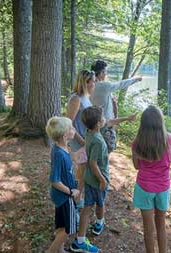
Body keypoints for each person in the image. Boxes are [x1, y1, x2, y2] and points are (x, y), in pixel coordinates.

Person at [131, 105, 171, 253]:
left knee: (148, 228)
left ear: (143, 124)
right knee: (161, 225)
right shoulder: (170, 140)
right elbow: (170, 162)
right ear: (160, 122)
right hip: (163, 187)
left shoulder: (137, 143)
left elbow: (137, 166)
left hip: (144, 187)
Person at [71, 106, 108, 253]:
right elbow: (92, 163)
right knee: (99, 204)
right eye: (103, 118)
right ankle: (99, 224)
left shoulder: (89, 133)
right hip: (97, 180)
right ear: (98, 123)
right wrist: (103, 180)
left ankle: (80, 239)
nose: (105, 120)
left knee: (86, 208)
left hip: (88, 178)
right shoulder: (98, 141)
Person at [66, 70, 96, 251]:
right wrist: (81, 140)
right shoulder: (76, 98)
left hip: (87, 142)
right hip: (80, 144)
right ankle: (75, 206)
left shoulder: (86, 97)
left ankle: (78, 202)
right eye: (92, 82)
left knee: (83, 175)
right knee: (80, 176)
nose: (95, 84)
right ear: (85, 82)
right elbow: (68, 122)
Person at [90, 60, 142, 153]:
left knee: (97, 152)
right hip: (105, 125)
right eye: (105, 72)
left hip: (93, 124)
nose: (106, 74)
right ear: (101, 73)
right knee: (105, 152)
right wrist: (135, 79)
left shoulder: (90, 85)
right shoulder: (104, 86)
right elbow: (121, 84)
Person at [46, 117, 80, 253]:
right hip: (65, 197)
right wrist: (71, 192)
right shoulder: (60, 153)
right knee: (68, 229)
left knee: (61, 224)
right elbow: (54, 180)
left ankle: (60, 250)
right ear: (65, 135)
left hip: (59, 196)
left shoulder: (60, 147)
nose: (74, 130)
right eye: (71, 128)